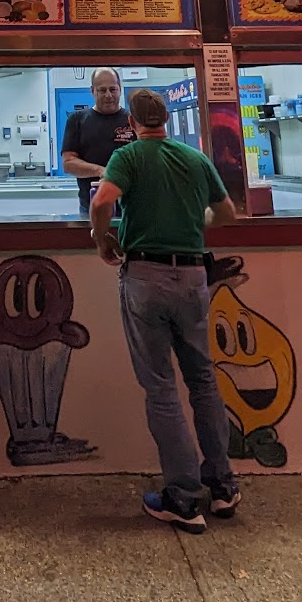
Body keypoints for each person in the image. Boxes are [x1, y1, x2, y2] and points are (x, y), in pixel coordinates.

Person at [90, 87, 240, 533]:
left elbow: (102, 202)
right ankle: (223, 484)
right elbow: (227, 213)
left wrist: (102, 239)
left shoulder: (130, 156)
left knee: (160, 388)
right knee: (203, 380)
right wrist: (197, 224)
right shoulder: (196, 158)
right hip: (194, 277)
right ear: (168, 119)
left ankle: (182, 496)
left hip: (146, 277)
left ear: (131, 123)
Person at [61, 67, 135, 216]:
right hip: (92, 207)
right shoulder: (77, 120)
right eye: (102, 90)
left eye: (113, 89)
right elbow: (68, 164)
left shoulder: (133, 119)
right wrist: (103, 171)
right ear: (92, 91)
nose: (108, 95)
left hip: (130, 207)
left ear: (120, 89)